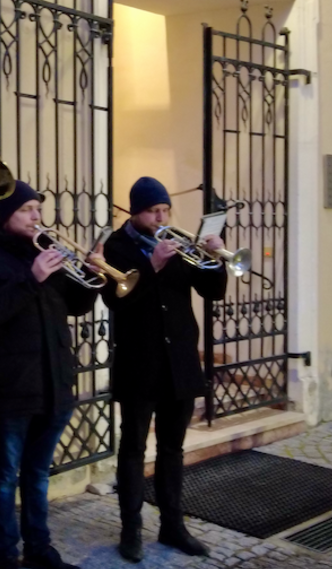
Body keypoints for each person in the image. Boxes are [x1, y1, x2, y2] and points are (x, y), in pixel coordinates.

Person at [0, 181, 98, 569]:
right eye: (27, 209)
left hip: (54, 383)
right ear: (6, 215)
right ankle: (6, 555)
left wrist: (89, 275)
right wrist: (31, 278)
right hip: (11, 387)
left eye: (38, 209)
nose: (37, 216)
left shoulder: (48, 252)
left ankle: (40, 550)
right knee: (5, 476)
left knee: (38, 474)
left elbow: (75, 305)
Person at [99, 177, 227, 562]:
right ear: (135, 212)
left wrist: (215, 257)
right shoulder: (117, 247)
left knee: (173, 448)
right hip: (140, 363)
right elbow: (113, 300)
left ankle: (173, 526)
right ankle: (131, 530)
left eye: (166, 211)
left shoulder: (180, 246)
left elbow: (212, 291)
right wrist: (152, 266)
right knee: (134, 448)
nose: (162, 217)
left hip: (180, 362)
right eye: (154, 211)